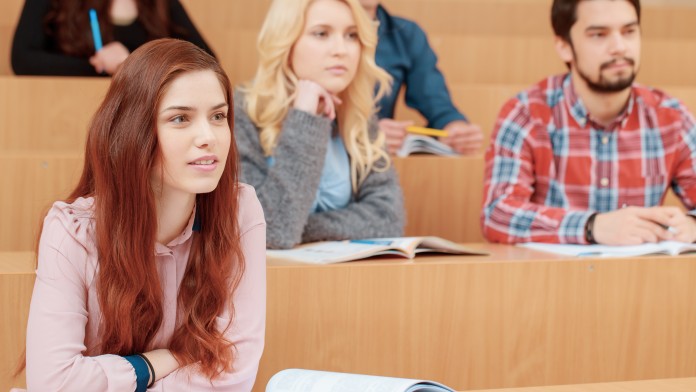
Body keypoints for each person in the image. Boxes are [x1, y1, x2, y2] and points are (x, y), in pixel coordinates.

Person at [19, 39, 265, 391]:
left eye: (218, 116)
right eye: (180, 118)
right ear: (133, 131)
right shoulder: (71, 230)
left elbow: (234, 372)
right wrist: (162, 360)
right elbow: (53, 383)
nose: (208, 136)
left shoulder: (240, 210)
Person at [482, 0, 696, 245]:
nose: (619, 47)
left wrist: (691, 225)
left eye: (629, 31)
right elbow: (496, 213)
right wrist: (592, 226)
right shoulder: (526, 114)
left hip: (639, 279)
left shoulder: (672, 117)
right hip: (549, 279)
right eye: (598, 35)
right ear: (564, 47)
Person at [235, 0, 405, 250]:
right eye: (321, 34)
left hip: (339, 279)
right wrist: (305, 118)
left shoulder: (358, 116)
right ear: (286, 42)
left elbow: (388, 218)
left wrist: (304, 227)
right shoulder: (240, 113)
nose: (341, 50)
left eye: (351, 35)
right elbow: (276, 231)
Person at [357, 0, 483, 156]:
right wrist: (360, 133)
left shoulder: (405, 34)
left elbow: (433, 98)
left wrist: (454, 128)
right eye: (323, 34)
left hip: (378, 164)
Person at [11, 0, 214, 76]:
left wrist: (131, 65)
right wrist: (96, 67)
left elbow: (206, 63)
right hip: (65, 111)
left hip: (140, 117)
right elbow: (22, 59)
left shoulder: (162, 4)